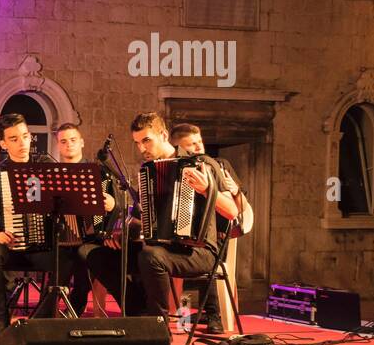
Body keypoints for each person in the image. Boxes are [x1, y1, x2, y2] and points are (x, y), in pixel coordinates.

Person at [81, 112, 239, 324]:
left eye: (147, 140)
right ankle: (138, 314)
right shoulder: (149, 171)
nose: (142, 148)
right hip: (161, 249)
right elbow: (142, 219)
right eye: (137, 143)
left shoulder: (202, 164)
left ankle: (158, 326)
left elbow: (232, 212)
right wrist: (122, 231)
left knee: (151, 256)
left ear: (163, 135)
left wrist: (207, 189)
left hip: (199, 250)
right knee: (92, 253)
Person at [0, 113, 66, 337]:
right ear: (3, 144)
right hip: (12, 247)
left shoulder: (46, 166)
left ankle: (44, 318)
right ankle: (0, 319)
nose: (22, 143)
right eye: (14, 139)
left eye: (25, 136)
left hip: (43, 247)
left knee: (67, 254)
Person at [170, 122, 250, 333]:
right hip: (192, 231)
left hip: (221, 230)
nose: (198, 148)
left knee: (211, 255)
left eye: (199, 142)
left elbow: (240, 208)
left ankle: (214, 315)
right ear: (179, 148)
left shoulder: (220, 164)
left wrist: (235, 191)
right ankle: (183, 316)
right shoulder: (176, 168)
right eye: (192, 145)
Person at [52, 122, 117, 316]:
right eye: (63, 141)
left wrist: (111, 204)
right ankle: (55, 313)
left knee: (88, 257)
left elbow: (115, 208)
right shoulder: (53, 174)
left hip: (92, 237)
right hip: (61, 239)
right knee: (61, 264)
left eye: (72, 140)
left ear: (81, 142)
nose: (68, 144)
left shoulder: (99, 172)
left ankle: (78, 307)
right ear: (58, 145)